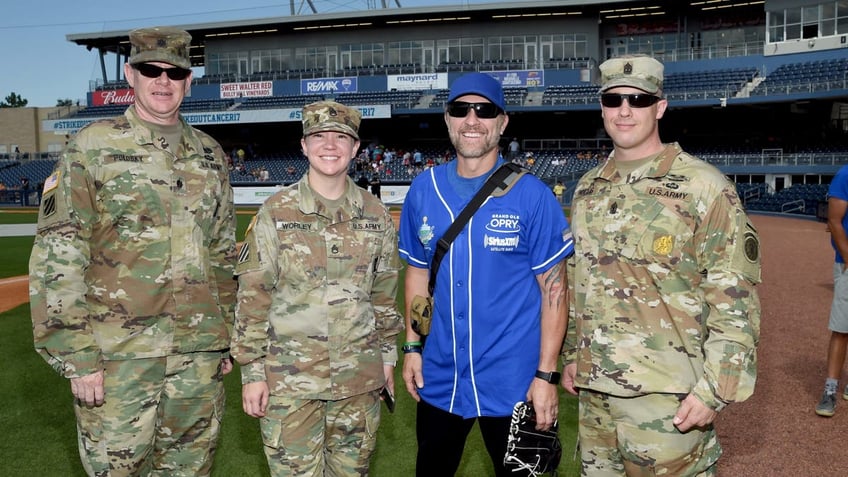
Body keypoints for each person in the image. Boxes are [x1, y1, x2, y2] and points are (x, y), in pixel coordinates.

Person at [29, 26, 237, 476]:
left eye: (175, 72)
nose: (163, 81)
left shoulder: (210, 154)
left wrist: (226, 338)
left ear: (188, 79)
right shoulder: (93, 146)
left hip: (197, 358)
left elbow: (222, 253)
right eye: (150, 70)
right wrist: (76, 354)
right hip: (117, 357)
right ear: (130, 74)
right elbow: (58, 253)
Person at [562, 54, 761, 476]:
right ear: (602, 107)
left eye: (639, 98)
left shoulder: (702, 186)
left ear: (660, 107)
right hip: (595, 395)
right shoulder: (588, 188)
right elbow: (579, 278)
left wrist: (715, 391)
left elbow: (735, 298)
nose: (625, 110)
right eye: (614, 99)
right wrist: (572, 354)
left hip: (668, 402)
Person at [398, 72, 574, 477]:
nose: (472, 120)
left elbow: (556, 292)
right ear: (447, 119)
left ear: (503, 121)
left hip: (515, 384)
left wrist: (546, 374)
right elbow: (418, 272)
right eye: (461, 110)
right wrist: (411, 346)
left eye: (484, 110)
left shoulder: (532, 195)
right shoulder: (424, 189)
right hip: (441, 377)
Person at [232, 100, 403, 476]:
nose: (330, 145)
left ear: (356, 148)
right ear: (304, 146)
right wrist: (253, 374)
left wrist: (387, 359)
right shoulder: (276, 212)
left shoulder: (376, 214)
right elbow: (253, 298)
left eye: (341, 137)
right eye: (319, 136)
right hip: (291, 384)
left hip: (359, 382)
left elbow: (385, 296)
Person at [815, 164, 848, 417]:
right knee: (841, 329)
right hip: (847, 264)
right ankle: (829, 390)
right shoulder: (845, 174)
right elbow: (835, 221)